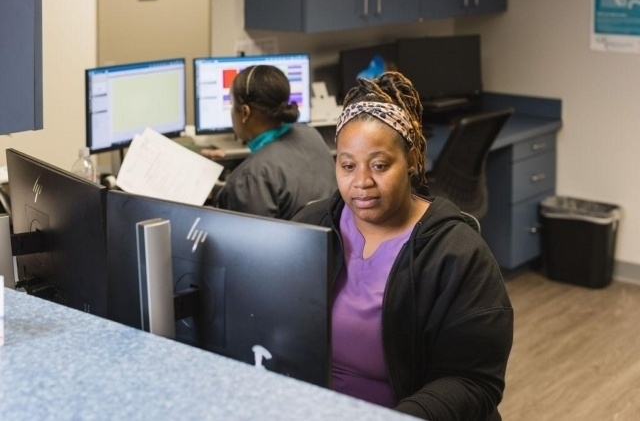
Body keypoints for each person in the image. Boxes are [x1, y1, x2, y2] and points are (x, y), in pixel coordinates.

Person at [292, 71, 513, 420]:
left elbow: (472, 381)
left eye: (379, 165)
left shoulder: (457, 253)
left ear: (411, 161)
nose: (362, 181)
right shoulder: (310, 227)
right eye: (348, 165)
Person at [203, 64, 337, 220]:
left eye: (232, 104)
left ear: (245, 112)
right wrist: (221, 190)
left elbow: (251, 240)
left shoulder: (251, 176)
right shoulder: (310, 134)